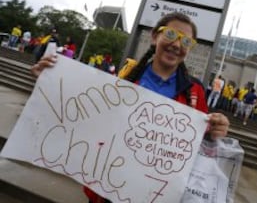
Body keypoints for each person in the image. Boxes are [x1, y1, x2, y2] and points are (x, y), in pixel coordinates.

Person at [31, 12, 230, 203]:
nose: (177, 44)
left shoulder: (195, 92)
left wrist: (215, 130)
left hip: (156, 192)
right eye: (170, 34)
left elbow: (199, 142)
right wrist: (50, 81)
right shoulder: (124, 78)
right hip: (107, 185)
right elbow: (85, 112)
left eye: (186, 41)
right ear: (154, 36)